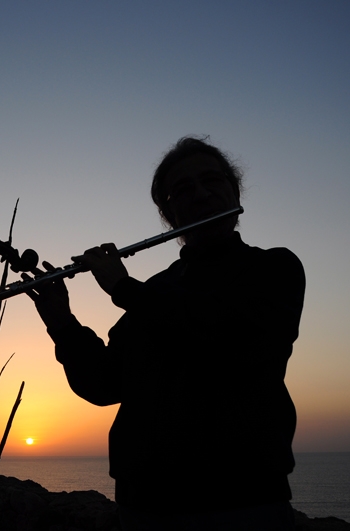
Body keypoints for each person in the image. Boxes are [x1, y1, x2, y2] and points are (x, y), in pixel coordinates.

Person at [29, 137, 305, 530]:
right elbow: (106, 383)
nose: (201, 194)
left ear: (234, 191)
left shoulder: (274, 269)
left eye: (213, 181)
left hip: (243, 500)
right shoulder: (155, 289)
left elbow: (237, 344)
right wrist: (63, 324)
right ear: (169, 213)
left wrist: (124, 290)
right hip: (144, 505)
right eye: (183, 190)